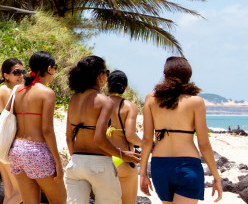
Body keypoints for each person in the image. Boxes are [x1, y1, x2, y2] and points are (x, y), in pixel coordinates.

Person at [140, 57, 222, 203]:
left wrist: (143, 173)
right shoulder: (196, 102)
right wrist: (216, 176)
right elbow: (204, 144)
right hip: (187, 165)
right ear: (188, 78)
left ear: (165, 76)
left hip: (160, 166)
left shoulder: (151, 99)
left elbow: (147, 141)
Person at [64, 56, 140, 204]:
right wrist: (122, 155)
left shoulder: (74, 99)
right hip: (99, 164)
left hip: (76, 162)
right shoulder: (104, 101)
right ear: (100, 75)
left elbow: (68, 137)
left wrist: (78, 159)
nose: (106, 75)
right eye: (107, 72)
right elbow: (99, 138)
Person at [9, 51, 67, 204]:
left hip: (17, 150)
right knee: (59, 200)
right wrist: (58, 163)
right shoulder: (47, 93)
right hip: (36, 151)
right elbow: (47, 130)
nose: (55, 71)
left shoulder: (18, 91)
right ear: (49, 69)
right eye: (55, 68)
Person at [0, 58, 25, 204]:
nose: (21, 75)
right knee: (21, 192)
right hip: (7, 146)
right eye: (16, 72)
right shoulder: (8, 92)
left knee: (11, 193)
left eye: (22, 72)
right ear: (6, 75)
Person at [107, 70, 143, 204]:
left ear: (108, 85)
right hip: (124, 159)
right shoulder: (129, 107)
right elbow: (130, 136)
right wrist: (146, 144)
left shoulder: (99, 103)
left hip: (103, 159)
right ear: (126, 86)